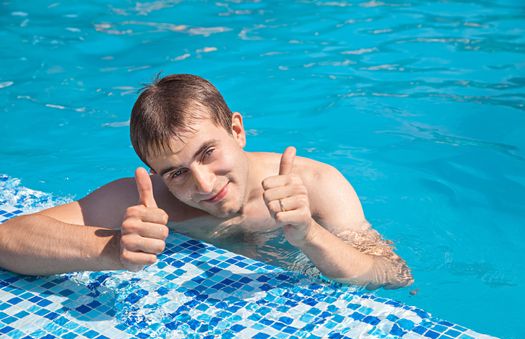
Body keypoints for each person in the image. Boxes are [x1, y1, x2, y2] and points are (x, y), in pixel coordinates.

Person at [0, 74, 413, 289]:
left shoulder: (318, 184)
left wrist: (309, 235)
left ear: (237, 130)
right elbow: (8, 240)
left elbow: (393, 275)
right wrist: (109, 250)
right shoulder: (151, 201)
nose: (202, 183)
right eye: (176, 172)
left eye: (207, 153)